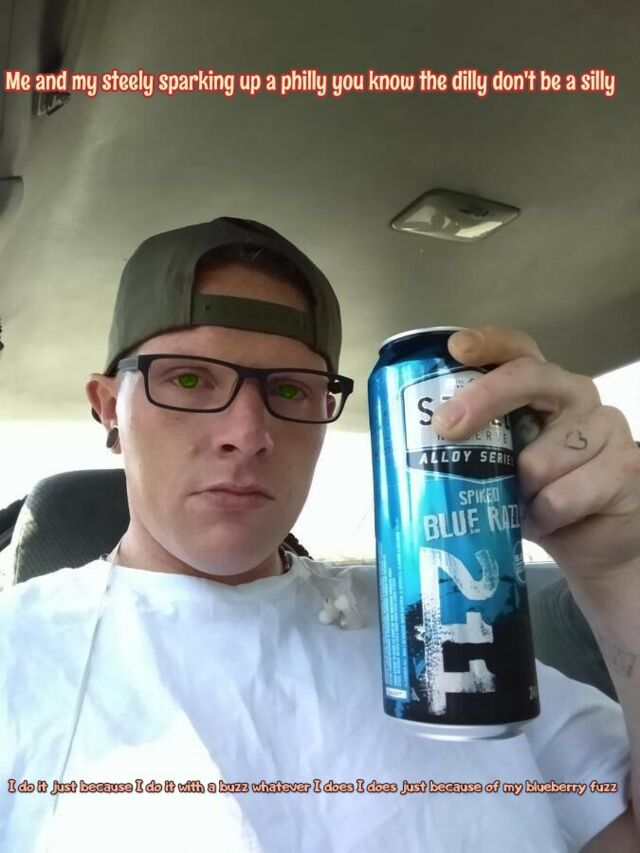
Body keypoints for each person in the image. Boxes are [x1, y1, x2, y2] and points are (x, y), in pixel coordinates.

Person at [0, 217, 637, 852]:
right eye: (188, 379)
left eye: (291, 389)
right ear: (108, 407)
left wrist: (620, 575)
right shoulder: (19, 652)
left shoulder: (441, 625)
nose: (248, 434)